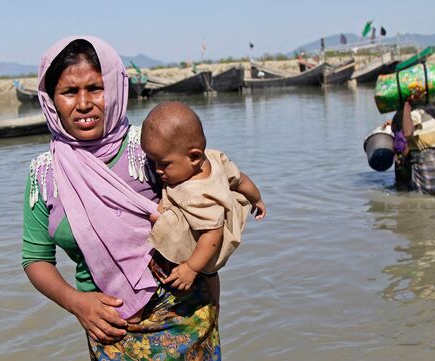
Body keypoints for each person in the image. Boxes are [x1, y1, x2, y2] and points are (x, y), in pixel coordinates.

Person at [22, 36, 221, 360]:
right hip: (108, 329)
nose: (83, 103)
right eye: (69, 92)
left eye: (95, 88)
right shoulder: (44, 174)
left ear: (114, 88)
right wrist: (76, 303)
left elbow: (211, 206)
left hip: (185, 317)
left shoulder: (151, 147)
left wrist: (212, 298)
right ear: (51, 99)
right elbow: (35, 258)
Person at [140, 101, 266, 292]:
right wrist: (256, 199)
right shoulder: (212, 158)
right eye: (153, 161)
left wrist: (191, 268)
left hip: (206, 249)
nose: (157, 170)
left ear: (194, 157)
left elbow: (212, 234)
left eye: (164, 164)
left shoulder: (198, 195)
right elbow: (240, 180)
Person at [385, 95, 435, 197]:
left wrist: (406, 106)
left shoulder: (413, 112)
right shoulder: (430, 106)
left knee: (428, 205)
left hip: (426, 166)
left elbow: (407, 133)